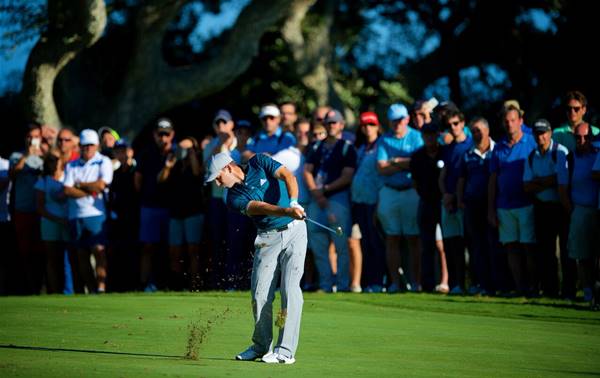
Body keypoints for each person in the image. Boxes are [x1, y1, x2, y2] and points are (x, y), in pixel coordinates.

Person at [205, 152, 306, 364]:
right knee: (260, 294)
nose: (217, 182)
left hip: (296, 231)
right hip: (267, 238)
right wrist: (287, 210)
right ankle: (261, 346)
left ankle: (285, 351)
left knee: (290, 289)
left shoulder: (259, 161)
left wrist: (295, 202)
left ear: (229, 168)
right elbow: (258, 207)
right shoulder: (232, 198)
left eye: (217, 176)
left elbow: (289, 176)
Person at [304, 109, 357, 293]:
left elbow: (347, 176)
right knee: (318, 244)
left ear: (341, 125)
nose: (331, 125)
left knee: (341, 245)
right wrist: (316, 192)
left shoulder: (347, 148)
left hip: (338, 199)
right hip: (316, 200)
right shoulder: (316, 147)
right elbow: (307, 171)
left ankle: (342, 286)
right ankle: (326, 285)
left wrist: (324, 190)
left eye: (334, 122)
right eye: (328, 122)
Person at [488, 105, 537, 296]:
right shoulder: (499, 147)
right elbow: (493, 180)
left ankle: (534, 287)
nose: (509, 124)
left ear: (520, 121)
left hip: (526, 204)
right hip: (504, 206)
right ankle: (520, 288)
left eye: (513, 120)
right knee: (511, 248)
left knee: (529, 248)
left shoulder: (531, 142)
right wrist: (491, 209)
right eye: (506, 121)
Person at [377, 103, 424, 292]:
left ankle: (416, 282)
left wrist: (394, 161)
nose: (397, 123)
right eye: (393, 120)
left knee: (414, 238)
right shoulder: (384, 139)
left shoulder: (416, 136)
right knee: (392, 238)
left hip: (411, 190)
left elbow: (419, 164)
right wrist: (406, 164)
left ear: (406, 119)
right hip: (389, 190)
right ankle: (395, 283)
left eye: (400, 119)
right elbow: (381, 167)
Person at [523, 119, 569, 297]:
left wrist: (540, 181)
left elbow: (562, 180)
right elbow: (527, 186)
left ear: (550, 133)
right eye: (537, 133)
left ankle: (568, 290)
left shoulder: (560, 152)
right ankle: (550, 289)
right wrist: (549, 181)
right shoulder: (531, 155)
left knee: (566, 250)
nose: (540, 136)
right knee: (546, 251)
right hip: (541, 207)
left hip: (560, 206)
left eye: (543, 133)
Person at [64, 129, 113, 293]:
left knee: (99, 251)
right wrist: (90, 189)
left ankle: (101, 287)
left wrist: (79, 185)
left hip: (96, 213)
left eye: (91, 145)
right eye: (84, 146)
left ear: (97, 146)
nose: (87, 148)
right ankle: (92, 290)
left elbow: (101, 185)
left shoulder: (103, 161)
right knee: (81, 255)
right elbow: (67, 190)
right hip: (76, 215)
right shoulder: (72, 165)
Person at [456, 117, 499, 295]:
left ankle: (496, 284)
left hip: (494, 204)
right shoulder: (467, 153)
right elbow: (461, 179)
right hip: (472, 205)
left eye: (479, 130)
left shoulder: (497, 151)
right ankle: (480, 283)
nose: (476, 134)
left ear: (488, 131)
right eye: (473, 131)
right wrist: (460, 200)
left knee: (494, 245)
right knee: (476, 247)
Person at [559, 122, 599, 302]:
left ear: (591, 137)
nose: (582, 140)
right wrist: (572, 211)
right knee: (582, 256)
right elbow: (563, 188)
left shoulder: (598, 154)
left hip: (598, 209)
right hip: (580, 210)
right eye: (578, 137)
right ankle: (588, 291)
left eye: (585, 137)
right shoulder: (570, 158)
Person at [159, 137, 205, 291]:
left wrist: (192, 155)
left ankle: (194, 285)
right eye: (180, 148)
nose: (183, 152)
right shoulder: (174, 164)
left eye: (187, 149)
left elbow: (198, 174)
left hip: (193, 211)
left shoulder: (197, 161)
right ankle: (177, 285)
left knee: (194, 250)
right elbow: (160, 180)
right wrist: (168, 165)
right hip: (176, 212)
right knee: (174, 252)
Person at [134, 118, 175, 291]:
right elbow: (137, 180)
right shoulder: (146, 153)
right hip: (149, 206)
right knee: (148, 247)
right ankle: (145, 284)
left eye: (166, 134)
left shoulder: (175, 153)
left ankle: (168, 283)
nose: (163, 137)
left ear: (172, 135)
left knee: (169, 248)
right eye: (160, 134)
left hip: (171, 208)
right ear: (154, 135)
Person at [438, 108, 473, 294]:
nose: (453, 127)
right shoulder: (448, 148)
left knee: (468, 243)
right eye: (449, 125)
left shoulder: (469, 145)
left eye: (456, 123)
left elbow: (466, 177)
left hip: (463, 202)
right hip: (448, 201)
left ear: (463, 123)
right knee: (451, 245)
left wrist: (455, 197)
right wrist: (445, 195)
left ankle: (472, 284)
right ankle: (455, 284)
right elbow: (442, 177)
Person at [351, 111, 385, 293]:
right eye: (364, 125)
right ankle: (367, 282)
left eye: (371, 124)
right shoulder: (361, 147)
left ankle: (378, 281)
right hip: (359, 201)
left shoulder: (382, 145)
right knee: (363, 243)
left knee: (375, 242)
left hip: (375, 200)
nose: (367, 128)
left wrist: (380, 203)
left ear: (377, 126)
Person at [411, 122, 447, 293]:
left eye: (433, 134)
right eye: (427, 135)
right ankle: (427, 284)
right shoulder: (417, 156)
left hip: (445, 203)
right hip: (426, 203)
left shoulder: (445, 152)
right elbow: (415, 182)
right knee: (427, 245)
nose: (430, 138)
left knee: (447, 244)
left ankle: (449, 282)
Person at [9, 123, 45, 294]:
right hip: (22, 210)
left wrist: (42, 156)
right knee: (25, 252)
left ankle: (44, 288)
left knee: (42, 251)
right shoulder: (17, 156)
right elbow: (12, 174)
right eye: (30, 136)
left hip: (42, 211)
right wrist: (26, 156)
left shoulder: (45, 156)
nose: (32, 140)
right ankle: (29, 289)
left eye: (36, 136)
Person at [35, 150, 70, 294]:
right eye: (50, 160)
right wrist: (57, 219)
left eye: (56, 159)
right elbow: (40, 208)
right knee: (52, 259)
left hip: (67, 222)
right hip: (50, 223)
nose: (54, 162)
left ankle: (69, 291)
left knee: (68, 259)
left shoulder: (68, 177)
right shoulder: (42, 181)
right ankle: (55, 292)